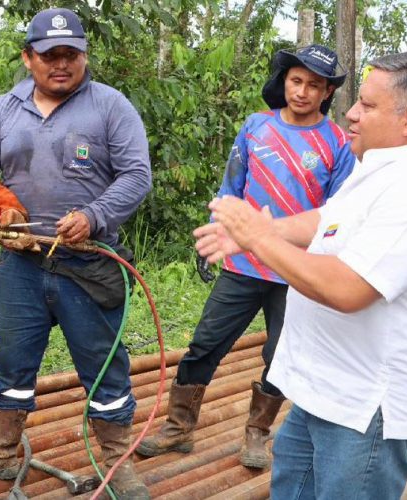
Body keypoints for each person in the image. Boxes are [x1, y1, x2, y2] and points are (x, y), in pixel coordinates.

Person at [194, 52, 407, 498]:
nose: (350, 112)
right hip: (325, 390)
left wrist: (258, 240)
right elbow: (330, 219)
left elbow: (348, 288)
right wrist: (269, 229)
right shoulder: (385, 165)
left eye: (367, 105)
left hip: (368, 408)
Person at [0, 8, 153, 498]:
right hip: (23, 266)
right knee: (12, 362)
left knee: (104, 366)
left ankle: (117, 461)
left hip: (91, 264)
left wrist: (93, 216)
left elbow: (136, 176)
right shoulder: (2, 110)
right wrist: (4, 212)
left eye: (71, 55)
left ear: (83, 57)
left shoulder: (110, 106)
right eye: (50, 55)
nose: (62, 64)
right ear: (27, 57)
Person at [137, 44, 356, 469]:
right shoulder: (256, 127)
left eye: (314, 85)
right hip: (241, 264)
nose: (303, 92)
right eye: (296, 81)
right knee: (205, 344)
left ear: (327, 92)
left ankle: (257, 434)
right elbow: (230, 187)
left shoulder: (336, 143)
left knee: (279, 353)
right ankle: (179, 428)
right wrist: (218, 234)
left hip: (294, 271)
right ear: (284, 82)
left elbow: (338, 215)